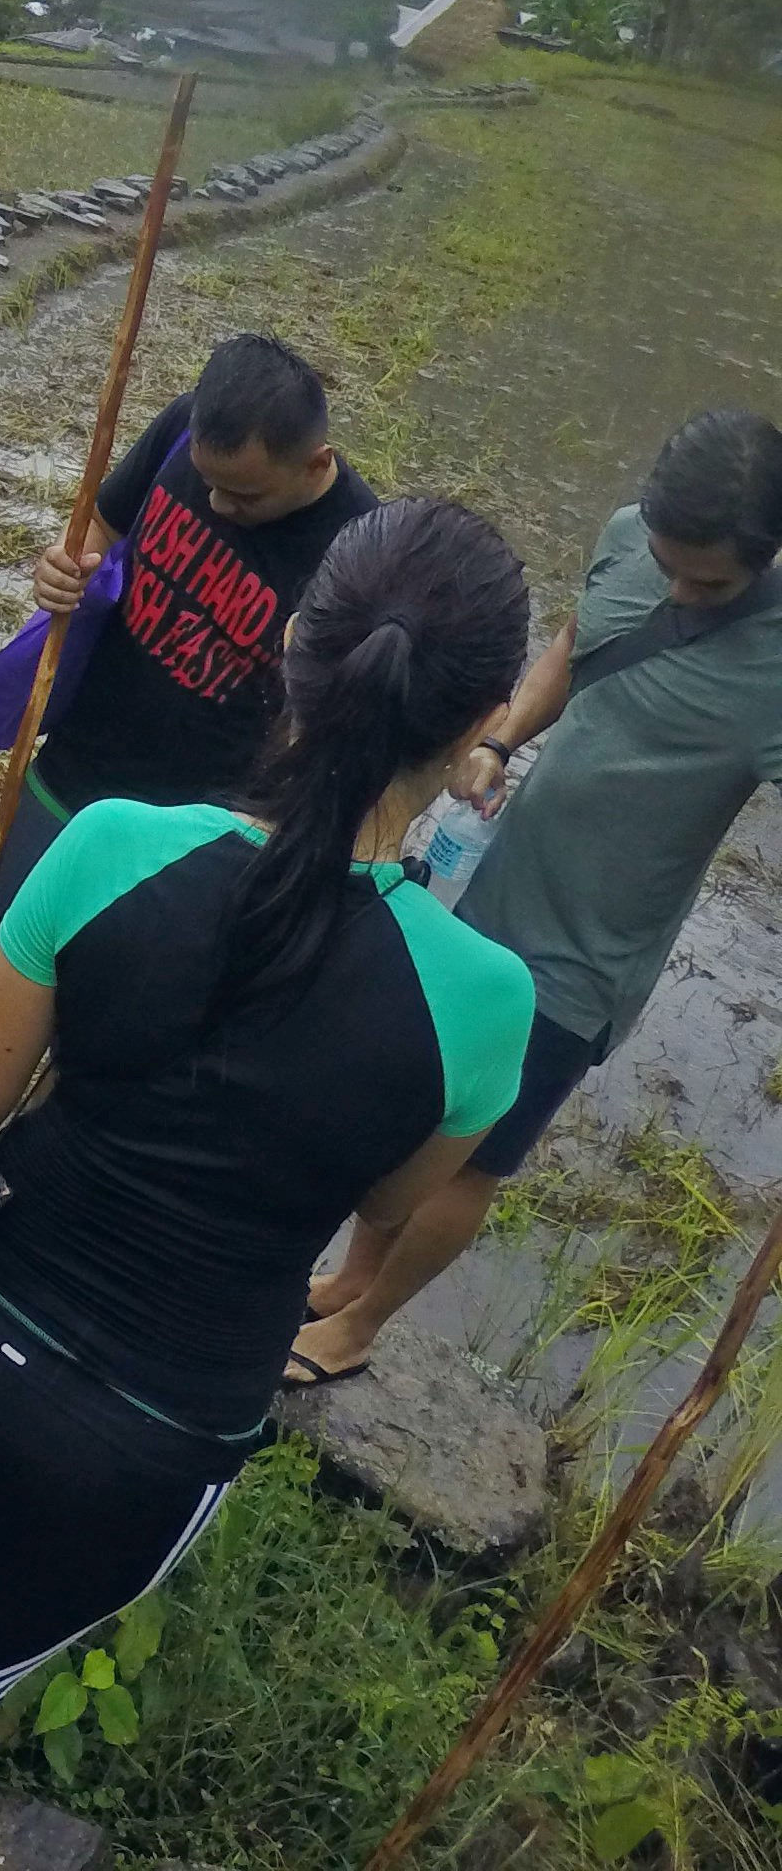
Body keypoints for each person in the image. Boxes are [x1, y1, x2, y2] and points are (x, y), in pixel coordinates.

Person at [0, 498, 537, 1871]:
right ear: (481, 717)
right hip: (160, 1424)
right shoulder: (486, 1001)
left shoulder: (119, 843)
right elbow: (382, 1204)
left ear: (298, 651)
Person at [0, 334, 375, 1153]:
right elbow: (100, 524)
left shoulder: (355, 553)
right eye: (207, 485)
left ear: (316, 465)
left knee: (101, 1009)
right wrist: (67, 567)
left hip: (189, 821)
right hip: (83, 759)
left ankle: (9, 1151)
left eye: (244, 497)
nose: (217, 508)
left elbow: (340, 726)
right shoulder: (184, 429)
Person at [296, 410, 782, 1384]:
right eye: (665, 564)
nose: (678, 591)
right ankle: (350, 1278)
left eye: (708, 584)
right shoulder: (621, 538)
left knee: (475, 1155)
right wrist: (499, 737)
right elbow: (578, 637)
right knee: (410, 1102)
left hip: (585, 957)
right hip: (487, 877)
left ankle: (362, 1331)